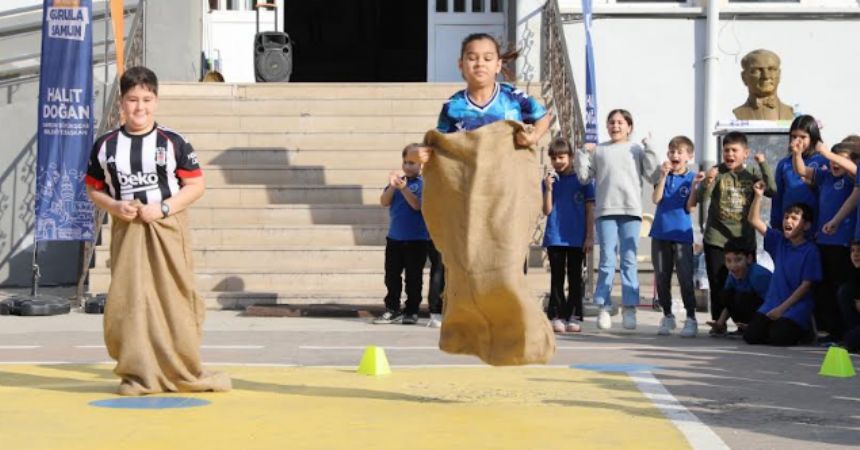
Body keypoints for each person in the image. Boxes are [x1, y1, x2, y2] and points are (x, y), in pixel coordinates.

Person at [84, 66, 230, 395]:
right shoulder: (105, 146)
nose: (140, 107)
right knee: (130, 301)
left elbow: (195, 185)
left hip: (167, 227)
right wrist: (113, 206)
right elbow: (92, 189)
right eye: (133, 100)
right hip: (127, 227)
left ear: (156, 101)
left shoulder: (173, 141)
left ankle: (182, 368)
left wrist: (163, 208)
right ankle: (138, 374)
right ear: (121, 102)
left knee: (174, 297)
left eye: (147, 100)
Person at [408, 32, 552, 324]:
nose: (480, 64)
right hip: (471, 194)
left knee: (510, 253)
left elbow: (543, 116)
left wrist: (534, 135)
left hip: (508, 191)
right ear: (461, 64)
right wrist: (422, 154)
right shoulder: (453, 106)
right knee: (472, 255)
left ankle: (512, 312)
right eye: (472, 58)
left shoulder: (513, 97)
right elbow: (441, 146)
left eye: (487, 58)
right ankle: (471, 312)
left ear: (499, 65)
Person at [574, 109, 661, 330]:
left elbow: (653, 175)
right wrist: (582, 153)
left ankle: (630, 308)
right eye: (611, 122)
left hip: (631, 211)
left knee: (629, 261)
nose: (616, 126)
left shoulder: (637, 149)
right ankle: (604, 306)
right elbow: (584, 178)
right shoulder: (599, 150)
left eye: (620, 122)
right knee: (606, 262)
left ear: (629, 127)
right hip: (605, 211)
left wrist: (650, 148)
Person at [687, 131, 774, 327]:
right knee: (719, 282)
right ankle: (719, 322)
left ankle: (747, 322)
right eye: (726, 150)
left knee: (746, 284)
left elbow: (771, 190)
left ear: (745, 153)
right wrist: (708, 182)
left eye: (734, 150)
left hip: (743, 240)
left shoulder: (752, 173)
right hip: (717, 239)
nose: (730, 154)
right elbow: (701, 199)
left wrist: (763, 164)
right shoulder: (717, 172)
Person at [792, 141, 857, 343]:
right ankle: (833, 331)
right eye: (832, 159)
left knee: (843, 289)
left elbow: (854, 169)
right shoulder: (826, 176)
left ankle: (848, 332)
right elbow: (802, 170)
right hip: (824, 242)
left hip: (843, 244)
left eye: (840, 159)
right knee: (825, 288)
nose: (833, 163)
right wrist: (797, 153)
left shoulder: (851, 179)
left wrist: (826, 153)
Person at [745, 184, 822, 346]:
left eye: (794, 218)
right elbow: (753, 220)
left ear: (806, 225)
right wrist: (758, 196)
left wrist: (782, 309)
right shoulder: (779, 241)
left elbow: (806, 286)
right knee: (751, 336)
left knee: (778, 338)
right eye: (786, 217)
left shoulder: (811, 251)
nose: (788, 220)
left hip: (795, 308)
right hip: (772, 304)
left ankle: (805, 331)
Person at [542, 138, 595, 333]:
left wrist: (589, 236)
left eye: (562, 157)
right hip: (555, 236)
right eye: (554, 158)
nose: (558, 161)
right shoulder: (550, 181)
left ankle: (574, 315)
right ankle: (556, 314)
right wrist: (548, 188)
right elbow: (547, 211)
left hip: (576, 237)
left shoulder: (583, 181)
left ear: (571, 157)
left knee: (575, 277)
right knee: (557, 277)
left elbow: (590, 210)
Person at [373, 144, 430, 325]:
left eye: (412, 163)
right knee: (391, 276)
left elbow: (417, 206)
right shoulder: (398, 183)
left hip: (417, 239)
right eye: (405, 162)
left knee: (413, 278)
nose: (407, 166)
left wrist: (404, 189)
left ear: (422, 165)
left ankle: (411, 310)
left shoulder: (423, 184)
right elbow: (384, 202)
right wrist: (392, 187)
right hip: (395, 238)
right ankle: (392, 309)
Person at [650, 136, 698, 337]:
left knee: (685, 277)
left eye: (679, 152)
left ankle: (691, 317)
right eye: (671, 152)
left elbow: (691, 207)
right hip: (660, 232)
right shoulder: (663, 175)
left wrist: (695, 186)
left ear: (689, 156)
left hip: (681, 234)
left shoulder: (692, 177)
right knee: (662, 276)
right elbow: (656, 199)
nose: (674, 155)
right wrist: (662, 176)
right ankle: (668, 315)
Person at [771, 115, 827, 231]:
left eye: (803, 137)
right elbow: (777, 196)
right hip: (790, 227)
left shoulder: (822, 161)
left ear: (813, 138)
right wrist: (776, 224)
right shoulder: (784, 164)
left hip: (815, 226)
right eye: (794, 136)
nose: (797, 141)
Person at [707, 239, 772, 336]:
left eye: (738, 260)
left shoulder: (758, 276)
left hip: (768, 314)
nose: (733, 266)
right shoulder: (732, 276)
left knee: (742, 298)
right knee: (726, 294)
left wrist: (756, 325)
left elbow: (771, 304)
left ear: (749, 259)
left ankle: (755, 327)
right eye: (728, 261)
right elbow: (728, 303)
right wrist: (720, 323)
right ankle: (743, 327)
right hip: (753, 311)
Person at [732, 49, 794, 121]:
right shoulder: (739, 113)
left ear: (779, 74)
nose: (766, 76)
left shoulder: (790, 112)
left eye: (771, 69)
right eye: (757, 70)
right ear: (744, 77)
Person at [837, 241, 860, 353]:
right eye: (852, 251)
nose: (855, 255)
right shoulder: (853, 274)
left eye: (859, 251)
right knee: (845, 291)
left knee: (851, 340)